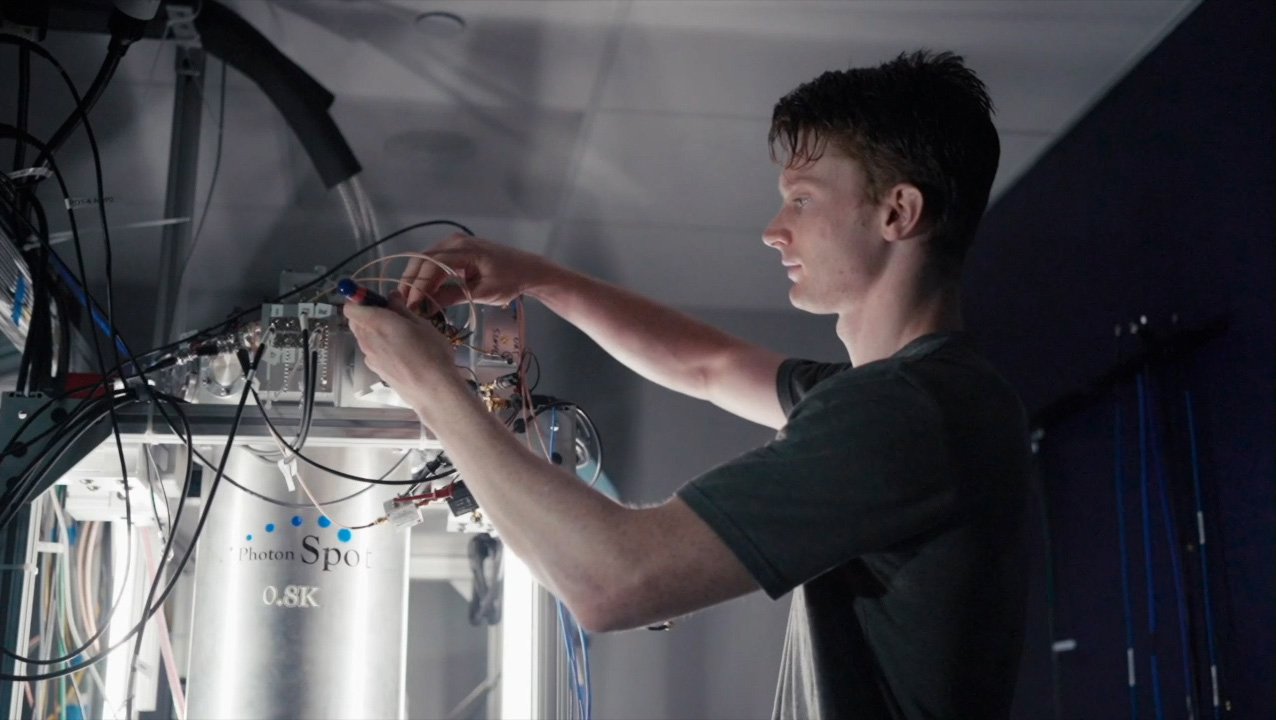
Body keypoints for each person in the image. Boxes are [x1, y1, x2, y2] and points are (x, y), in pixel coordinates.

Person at [345, 50, 1031, 720]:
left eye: (801, 199)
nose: (773, 231)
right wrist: (538, 276)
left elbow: (611, 582)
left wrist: (433, 386)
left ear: (897, 213)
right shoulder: (919, 396)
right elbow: (704, 365)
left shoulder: (904, 412)